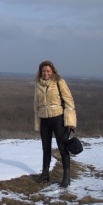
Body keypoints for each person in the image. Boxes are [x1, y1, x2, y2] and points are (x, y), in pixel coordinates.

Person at [34, 60, 77, 188]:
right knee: (45, 148)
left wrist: (69, 121)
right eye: (43, 71)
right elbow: (36, 104)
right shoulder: (38, 84)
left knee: (62, 148)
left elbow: (69, 101)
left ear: (52, 71)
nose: (45, 73)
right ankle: (45, 174)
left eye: (48, 71)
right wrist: (37, 120)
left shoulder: (59, 82)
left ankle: (66, 177)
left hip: (58, 118)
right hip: (44, 119)